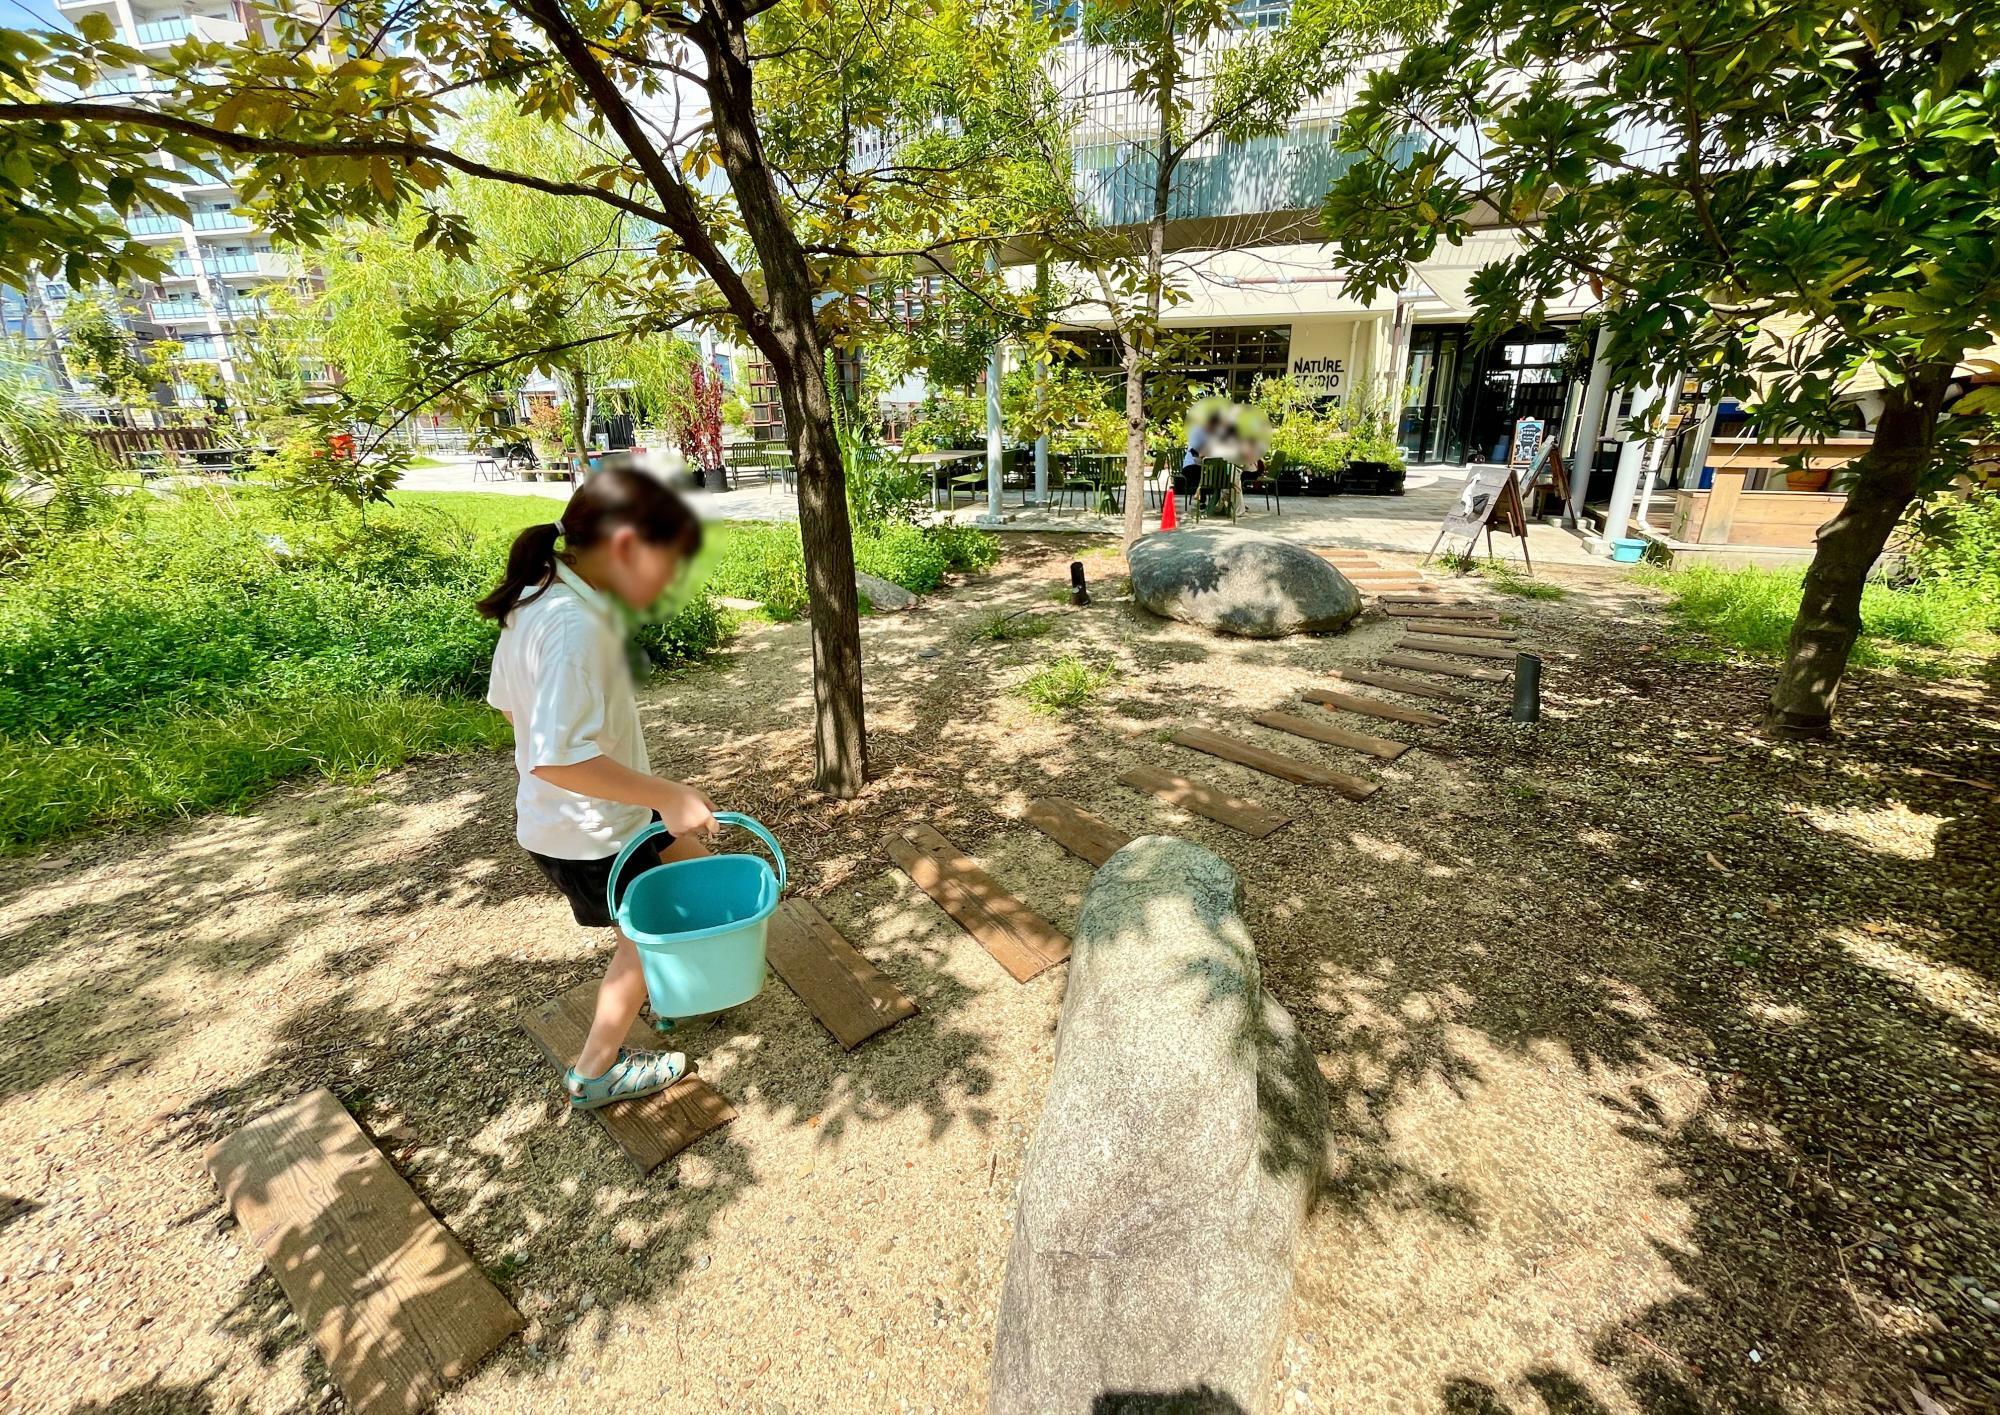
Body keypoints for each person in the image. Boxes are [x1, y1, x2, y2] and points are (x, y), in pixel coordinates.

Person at [478, 466, 717, 1111]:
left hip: (588, 817)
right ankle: (594, 1073)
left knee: (695, 872)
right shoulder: (575, 627)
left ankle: (667, 993)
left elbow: (509, 707)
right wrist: (666, 793)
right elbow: (557, 759)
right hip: (592, 832)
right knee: (646, 936)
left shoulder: (541, 596)